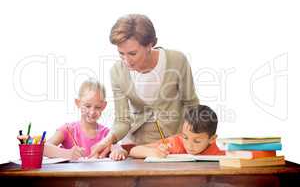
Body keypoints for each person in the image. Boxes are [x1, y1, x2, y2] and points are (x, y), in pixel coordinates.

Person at [89, 14, 199, 158]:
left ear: (149, 45)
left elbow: (191, 104)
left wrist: (189, 140)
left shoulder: (177, 61)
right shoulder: (117, 72)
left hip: (174, 145)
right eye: (121, 54)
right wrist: (108, 140)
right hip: (138, 148)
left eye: (132, 53)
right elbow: (122, 120)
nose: (126, 61)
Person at [44, 78, 127, 160]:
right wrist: (67, 154)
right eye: (87, 106)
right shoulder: (68, 129)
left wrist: (118, 151)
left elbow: (120, 149)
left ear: (104, 106)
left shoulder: (106, 134)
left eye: (97, 107)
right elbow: (44, 148)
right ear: (78, 103)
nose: (92, 112)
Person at [129, 105, 225, 158]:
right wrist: (152, 152)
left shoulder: (216, 152)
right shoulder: (175, 143)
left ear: (212, 139)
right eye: (185, 137)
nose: (189, 145)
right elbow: (134, 151)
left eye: (197, 141)